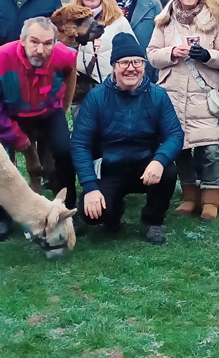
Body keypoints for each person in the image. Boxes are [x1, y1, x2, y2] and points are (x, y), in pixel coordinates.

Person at [71, 33, 184, 245]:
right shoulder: (96, 98)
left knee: (168, 170)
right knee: (93, 217)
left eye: (137, 62)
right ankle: (113, 211)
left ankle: (153, 220)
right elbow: (79, 144)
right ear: (114, 66)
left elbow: (175, 134)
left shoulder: (158, 95)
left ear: (144, 65)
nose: (131, 68)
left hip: (144, 165)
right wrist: (90, 187)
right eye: (124, 62)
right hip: (109, 167)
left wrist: (159, 160)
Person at [0, 17, 78, 241]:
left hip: (48, 111)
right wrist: (15, 135)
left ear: (55, 42)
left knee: (65, 151)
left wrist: (64, 106)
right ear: (22, 40)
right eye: (34, 42)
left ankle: (68, 208)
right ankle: (1, 218)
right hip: (8, 114)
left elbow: (72, 71)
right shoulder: (0, 58)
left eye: (48, 43)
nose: (40, 50)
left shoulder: (64, 55)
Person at [146, 0, 219, 222]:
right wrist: (172, 53)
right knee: (181, 149)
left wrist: (208, 55)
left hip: (202, 93)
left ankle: (211, 199)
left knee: (209, 150)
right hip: (171, 95)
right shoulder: (164, 20)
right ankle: (189, 196)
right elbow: (152, 54)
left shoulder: (215, 18)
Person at [67, 0, 134, 108]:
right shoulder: (70, 21)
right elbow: (61, 49)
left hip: (113, 85)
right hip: (83, 88)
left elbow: (132, 49)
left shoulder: (118, 20)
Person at [99, 0, 162, 77]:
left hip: (145, 76)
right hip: (106, 78)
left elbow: (161, 44)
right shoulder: (99, 6)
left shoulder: (152, 5)